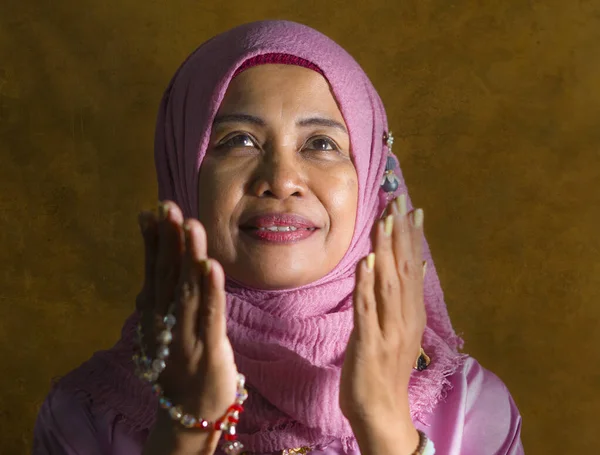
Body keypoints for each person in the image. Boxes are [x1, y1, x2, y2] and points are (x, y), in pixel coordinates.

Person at [32, 20, 524, 455]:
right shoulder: (87, 416)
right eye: (239, 141)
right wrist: (184, 429)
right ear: (183, 172)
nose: (282, 178)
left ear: (373, 175)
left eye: (322, 144)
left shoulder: (470, 409)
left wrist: (387, 428)